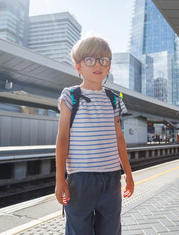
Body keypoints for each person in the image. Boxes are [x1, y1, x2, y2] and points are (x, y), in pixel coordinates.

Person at [55, 36, 134, 235]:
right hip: (79, 180)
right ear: (78, 67)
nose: (98, 64)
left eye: (104, 60)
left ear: (109, 67)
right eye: (90, 60)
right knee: (78, 230)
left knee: (111, 230)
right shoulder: (70, 96)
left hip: (111, 179)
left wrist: (129, 174)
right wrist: (59, 179)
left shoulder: (114, 99)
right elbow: (63, 137)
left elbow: (119, 138)